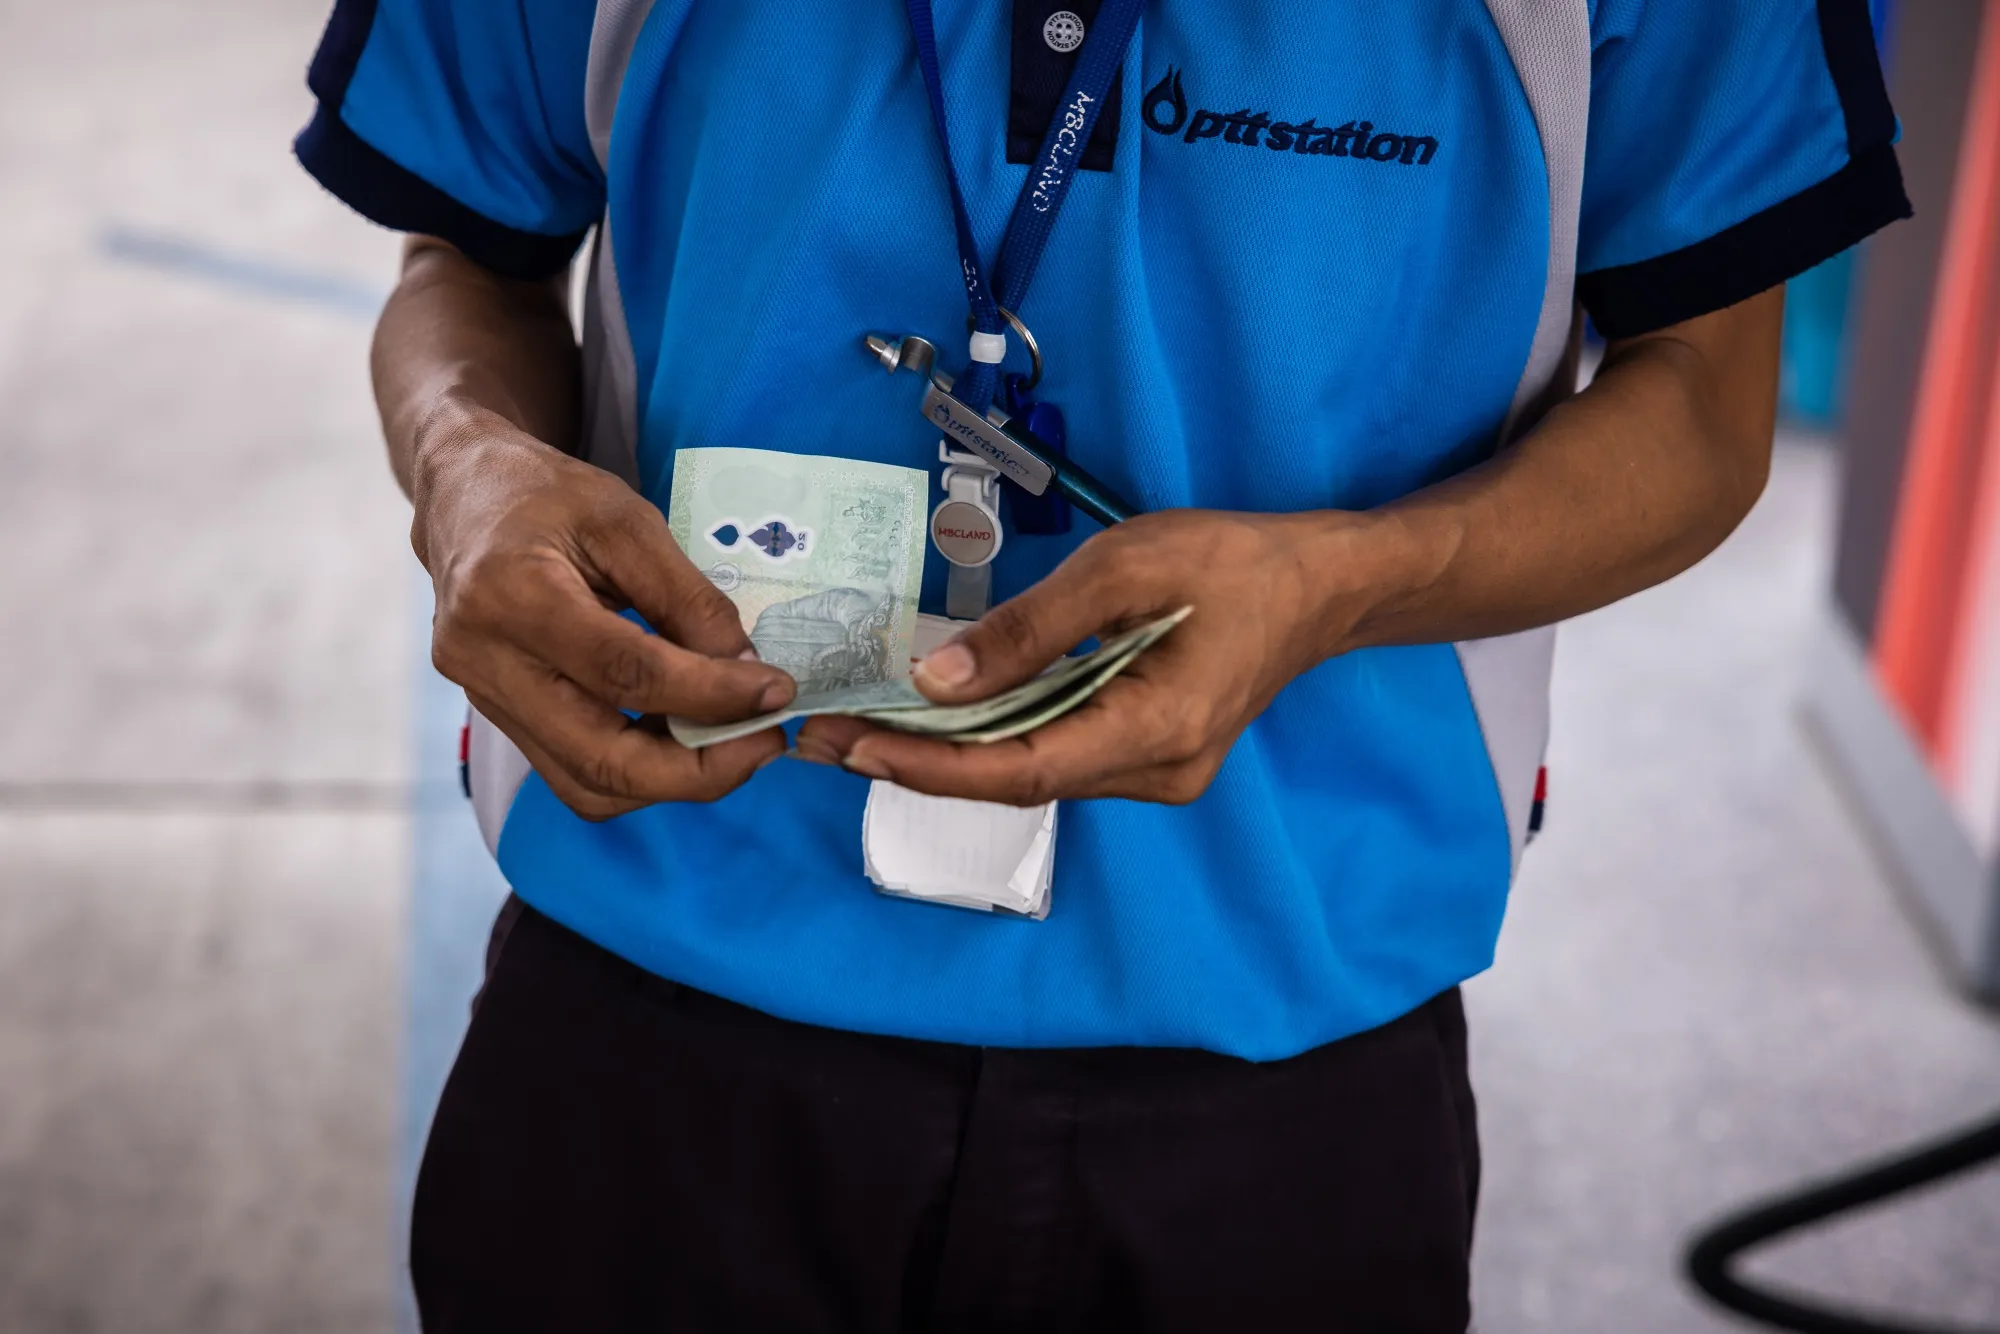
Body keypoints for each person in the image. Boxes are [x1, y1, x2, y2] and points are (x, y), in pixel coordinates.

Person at [296, 2, 1908, 1329]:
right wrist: (465, 468)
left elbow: (1705, 394)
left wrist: (1347, 584)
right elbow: (472, 254)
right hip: (652, 1002)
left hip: (1277, 1047)